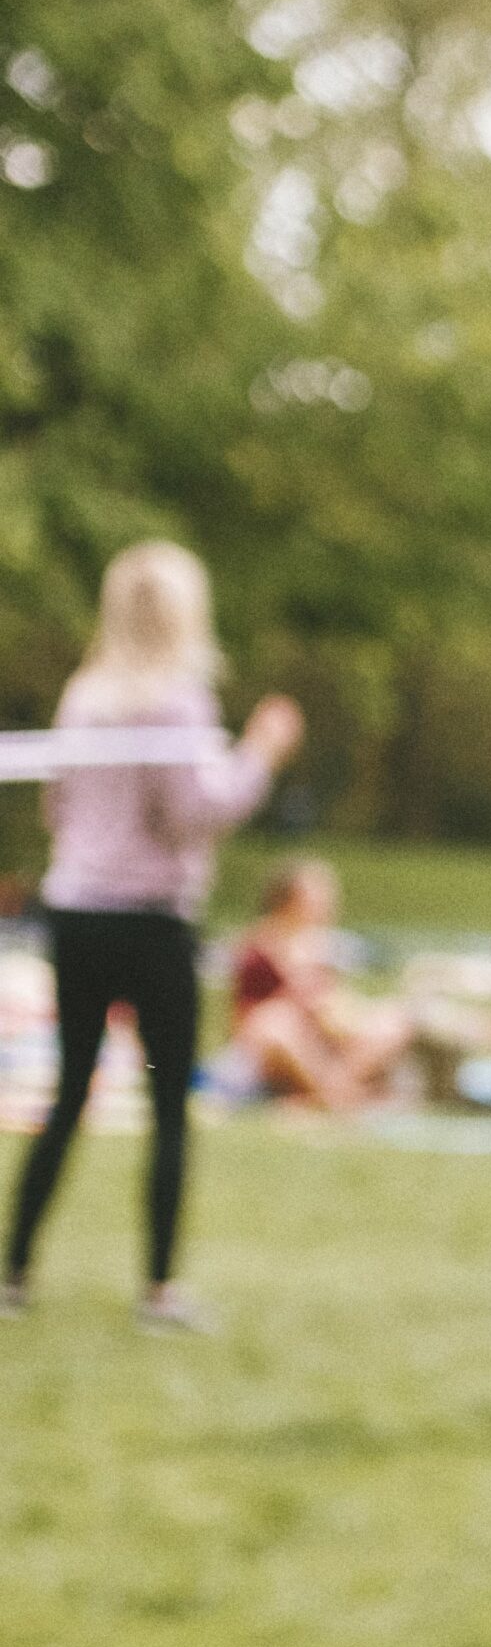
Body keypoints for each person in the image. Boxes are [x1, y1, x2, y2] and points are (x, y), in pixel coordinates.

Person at [3, 542, 301, 1330]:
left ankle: (14, 1274)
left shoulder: (85, 695)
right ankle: (160, 1293)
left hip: (76, 913)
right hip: (151, 920)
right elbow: (196, 814)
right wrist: (261, 754)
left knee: (69, 1093)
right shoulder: (177, 702)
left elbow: (57, 809)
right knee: (170, 1102)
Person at [227, 860, 423, 1112]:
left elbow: (334, 1003)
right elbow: (250, 1018)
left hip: (324, 1039)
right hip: (279, 1044)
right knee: (276, 1022)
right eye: (317, 895)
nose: (327, 903)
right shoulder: (261, 944)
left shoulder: (323, 944)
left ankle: (330, 1092)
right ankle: (335, 1096)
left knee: (394, 1019)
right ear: (288, 899)